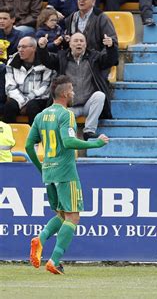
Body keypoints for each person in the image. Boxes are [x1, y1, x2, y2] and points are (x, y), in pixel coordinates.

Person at [25, 75, 110, 275]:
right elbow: (68, 142)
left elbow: (29, 146)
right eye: (71, 90)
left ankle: (41, 238)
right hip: (65, 171)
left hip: (49, 172)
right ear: (64, 93)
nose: (73, 93)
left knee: (61, 215)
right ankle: (54, 260)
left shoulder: (41, 115)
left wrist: (41, 168)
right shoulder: (66, 115)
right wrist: (94, 143)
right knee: (73, 217)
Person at [37, 32, 118, 140]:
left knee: (99, 95)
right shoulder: (62, 57)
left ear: (85, 44)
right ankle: (65, 139)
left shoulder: (94, 57)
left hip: (88, 105)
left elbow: (111, 61)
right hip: (69, 106)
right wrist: (42, 48)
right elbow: (47, 60)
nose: (78, 43)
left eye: (81, 41)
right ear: (70, 44)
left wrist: (111, 47)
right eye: (75, 41)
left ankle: (89, 131)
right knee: (59, 115)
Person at [3, 37, 54, 125]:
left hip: (39, 99)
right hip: (19, 99)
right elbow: (10, 87)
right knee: (9, 106)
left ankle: (34, 137)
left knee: (32, 106)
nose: (20, 50)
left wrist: (27, 101)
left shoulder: (45, 62)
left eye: (24, 47)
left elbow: (45, 87)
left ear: (34, 48)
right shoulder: (12, 61)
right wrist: (23, 102)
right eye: (19, 47)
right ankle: (10, 136)